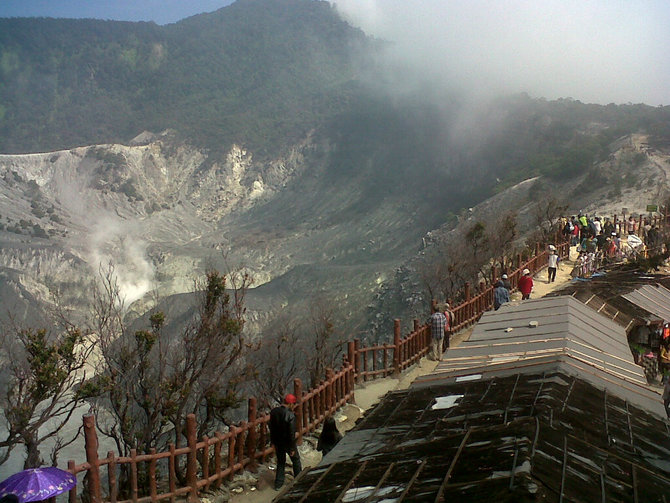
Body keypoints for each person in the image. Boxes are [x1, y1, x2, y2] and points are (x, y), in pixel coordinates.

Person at [270, 394, 302, 490]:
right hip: (288, 442)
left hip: (277, 442)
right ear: (291, 404)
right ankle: (299, 480)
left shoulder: (274, 412)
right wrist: (292, 447)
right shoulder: (290, 415)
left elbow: (271, 428)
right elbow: (291, 433)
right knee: (296, 460)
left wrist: (273, 442)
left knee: (281, 462)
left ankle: (278, 484)